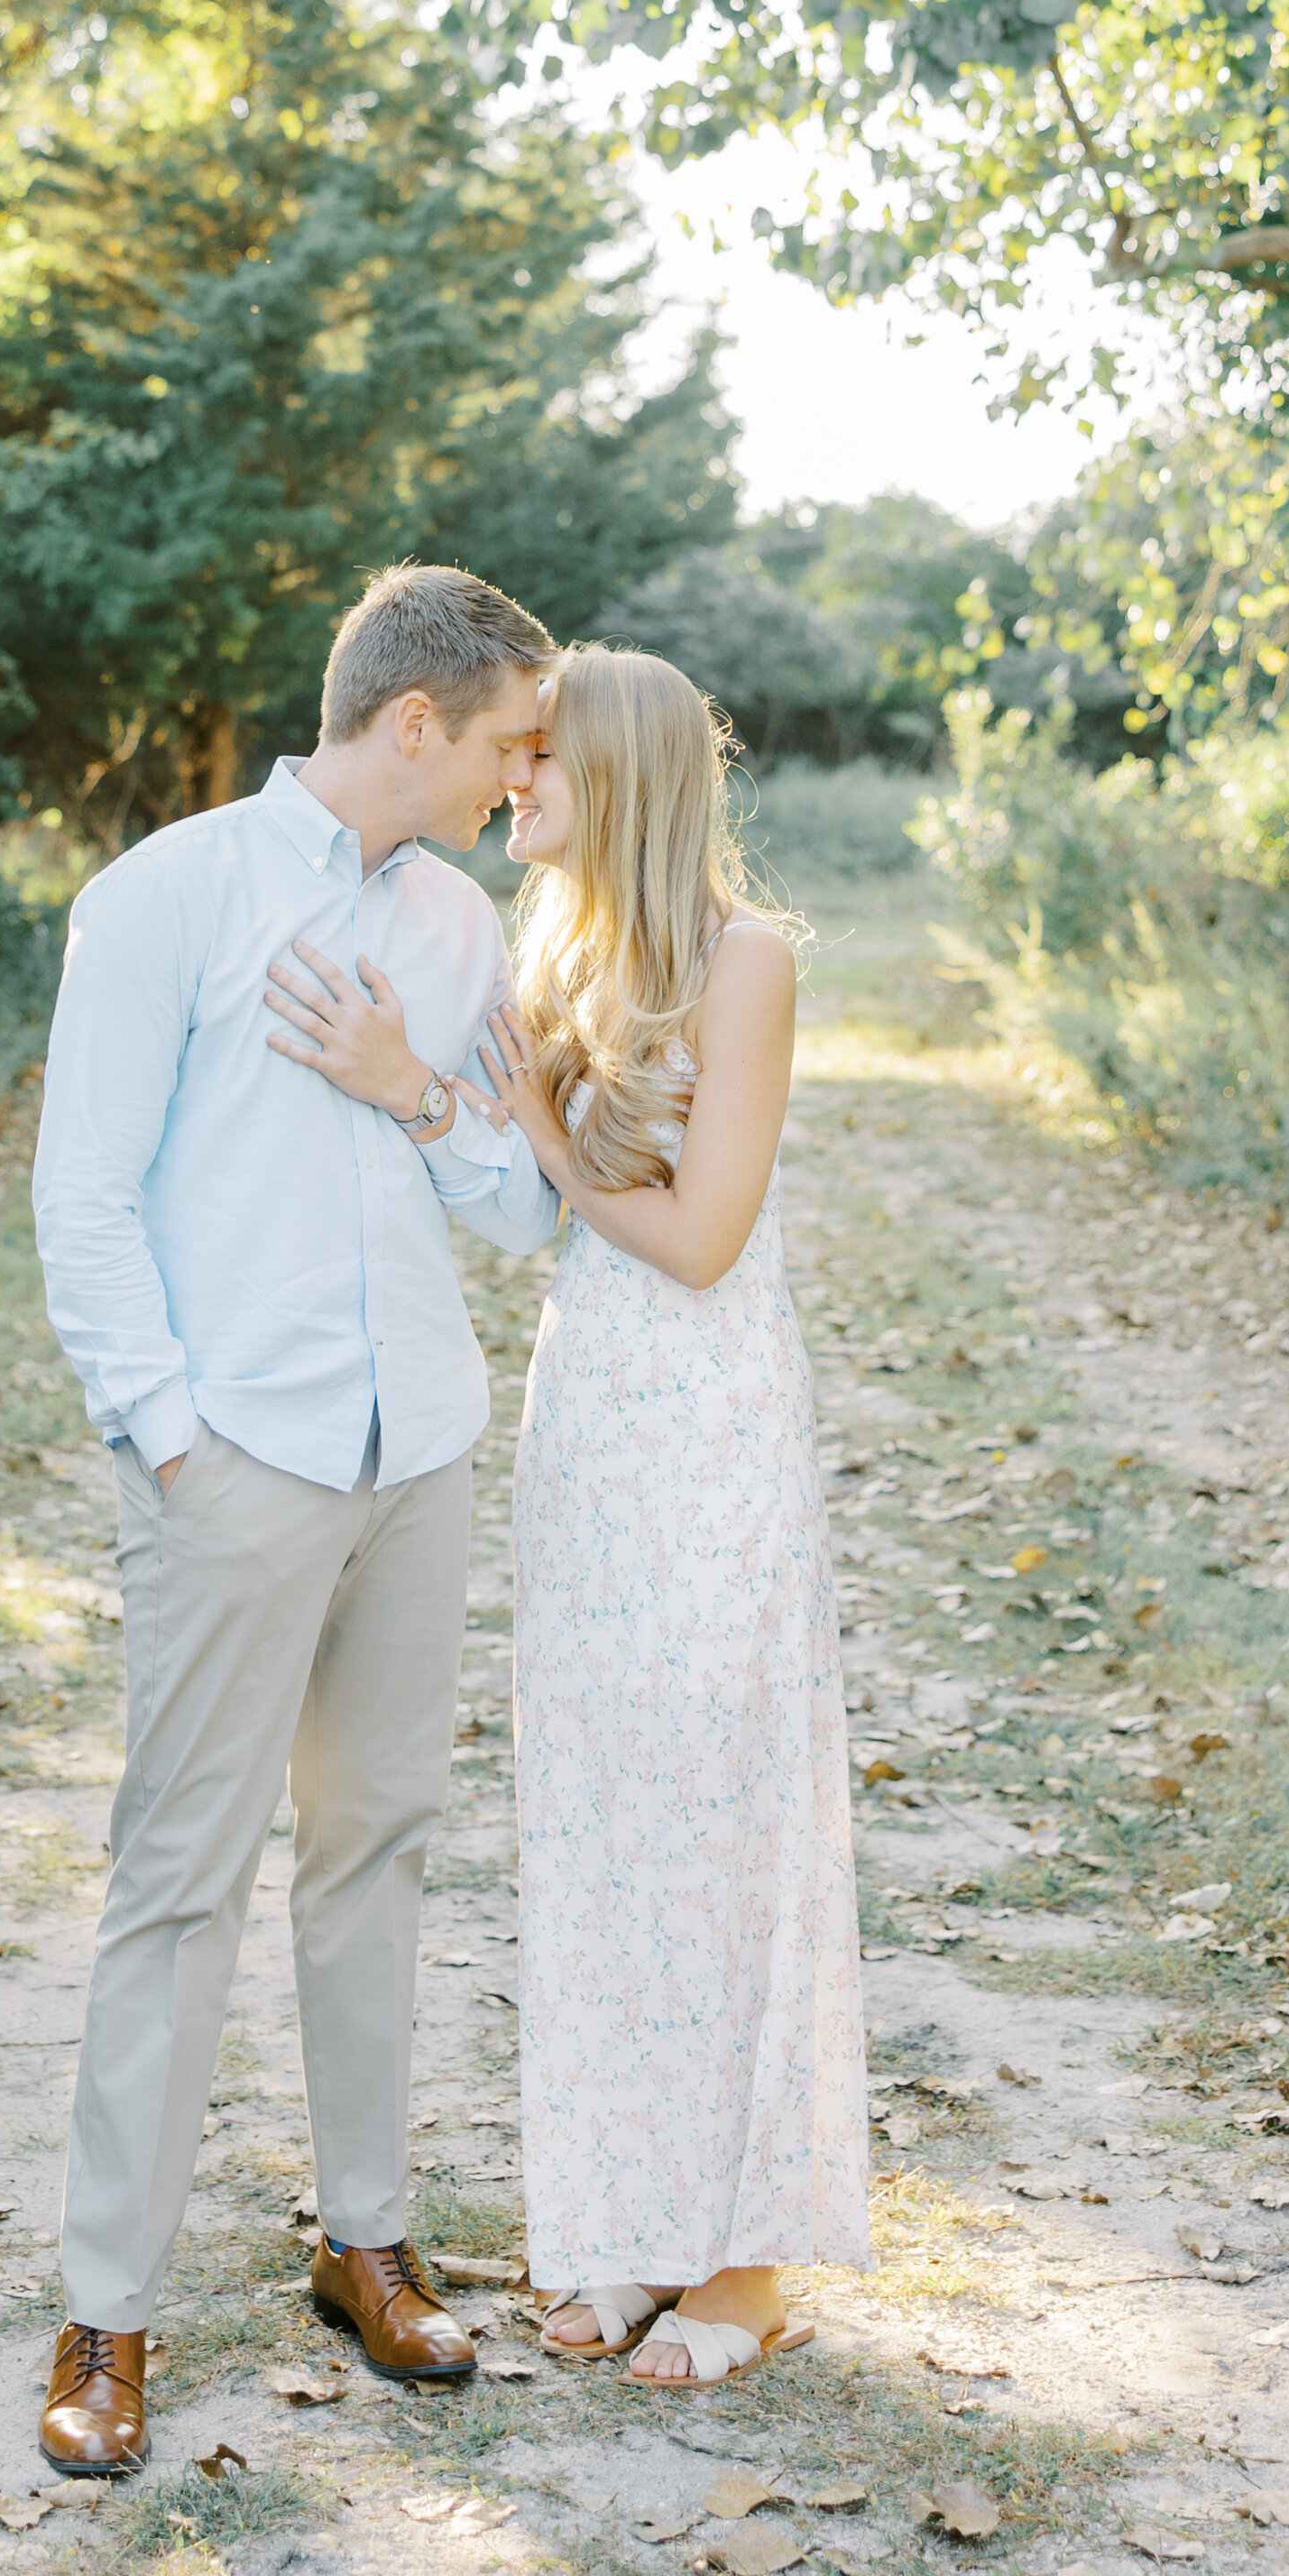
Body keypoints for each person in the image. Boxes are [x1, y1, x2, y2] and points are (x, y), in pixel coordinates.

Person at [26, 564, 567, 2478]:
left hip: (410, 1449)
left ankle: (365, 2240)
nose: (526, 781)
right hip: (232, 1460)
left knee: (378, 1853)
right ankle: (108, 2315)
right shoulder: (165, 895)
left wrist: (414, 1092)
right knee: (177, 1881)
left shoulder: (456, 927)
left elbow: (519, 1208)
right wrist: (168, 1440)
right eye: (510, 742)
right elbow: (81, 1202)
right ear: (413, 723)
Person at [468, 644, 871, 2384]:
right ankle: (627, 2225)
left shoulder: (747, 963)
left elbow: (702, 1237)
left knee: (723, 1818)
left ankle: (747, 2264)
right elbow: (503, 1185)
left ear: (616, 776)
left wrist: (554, 1148)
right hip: (588, 1424)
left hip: (709, 1431)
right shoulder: (551, 955)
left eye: (537, 757)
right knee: (604, 1825)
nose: (510, 781)